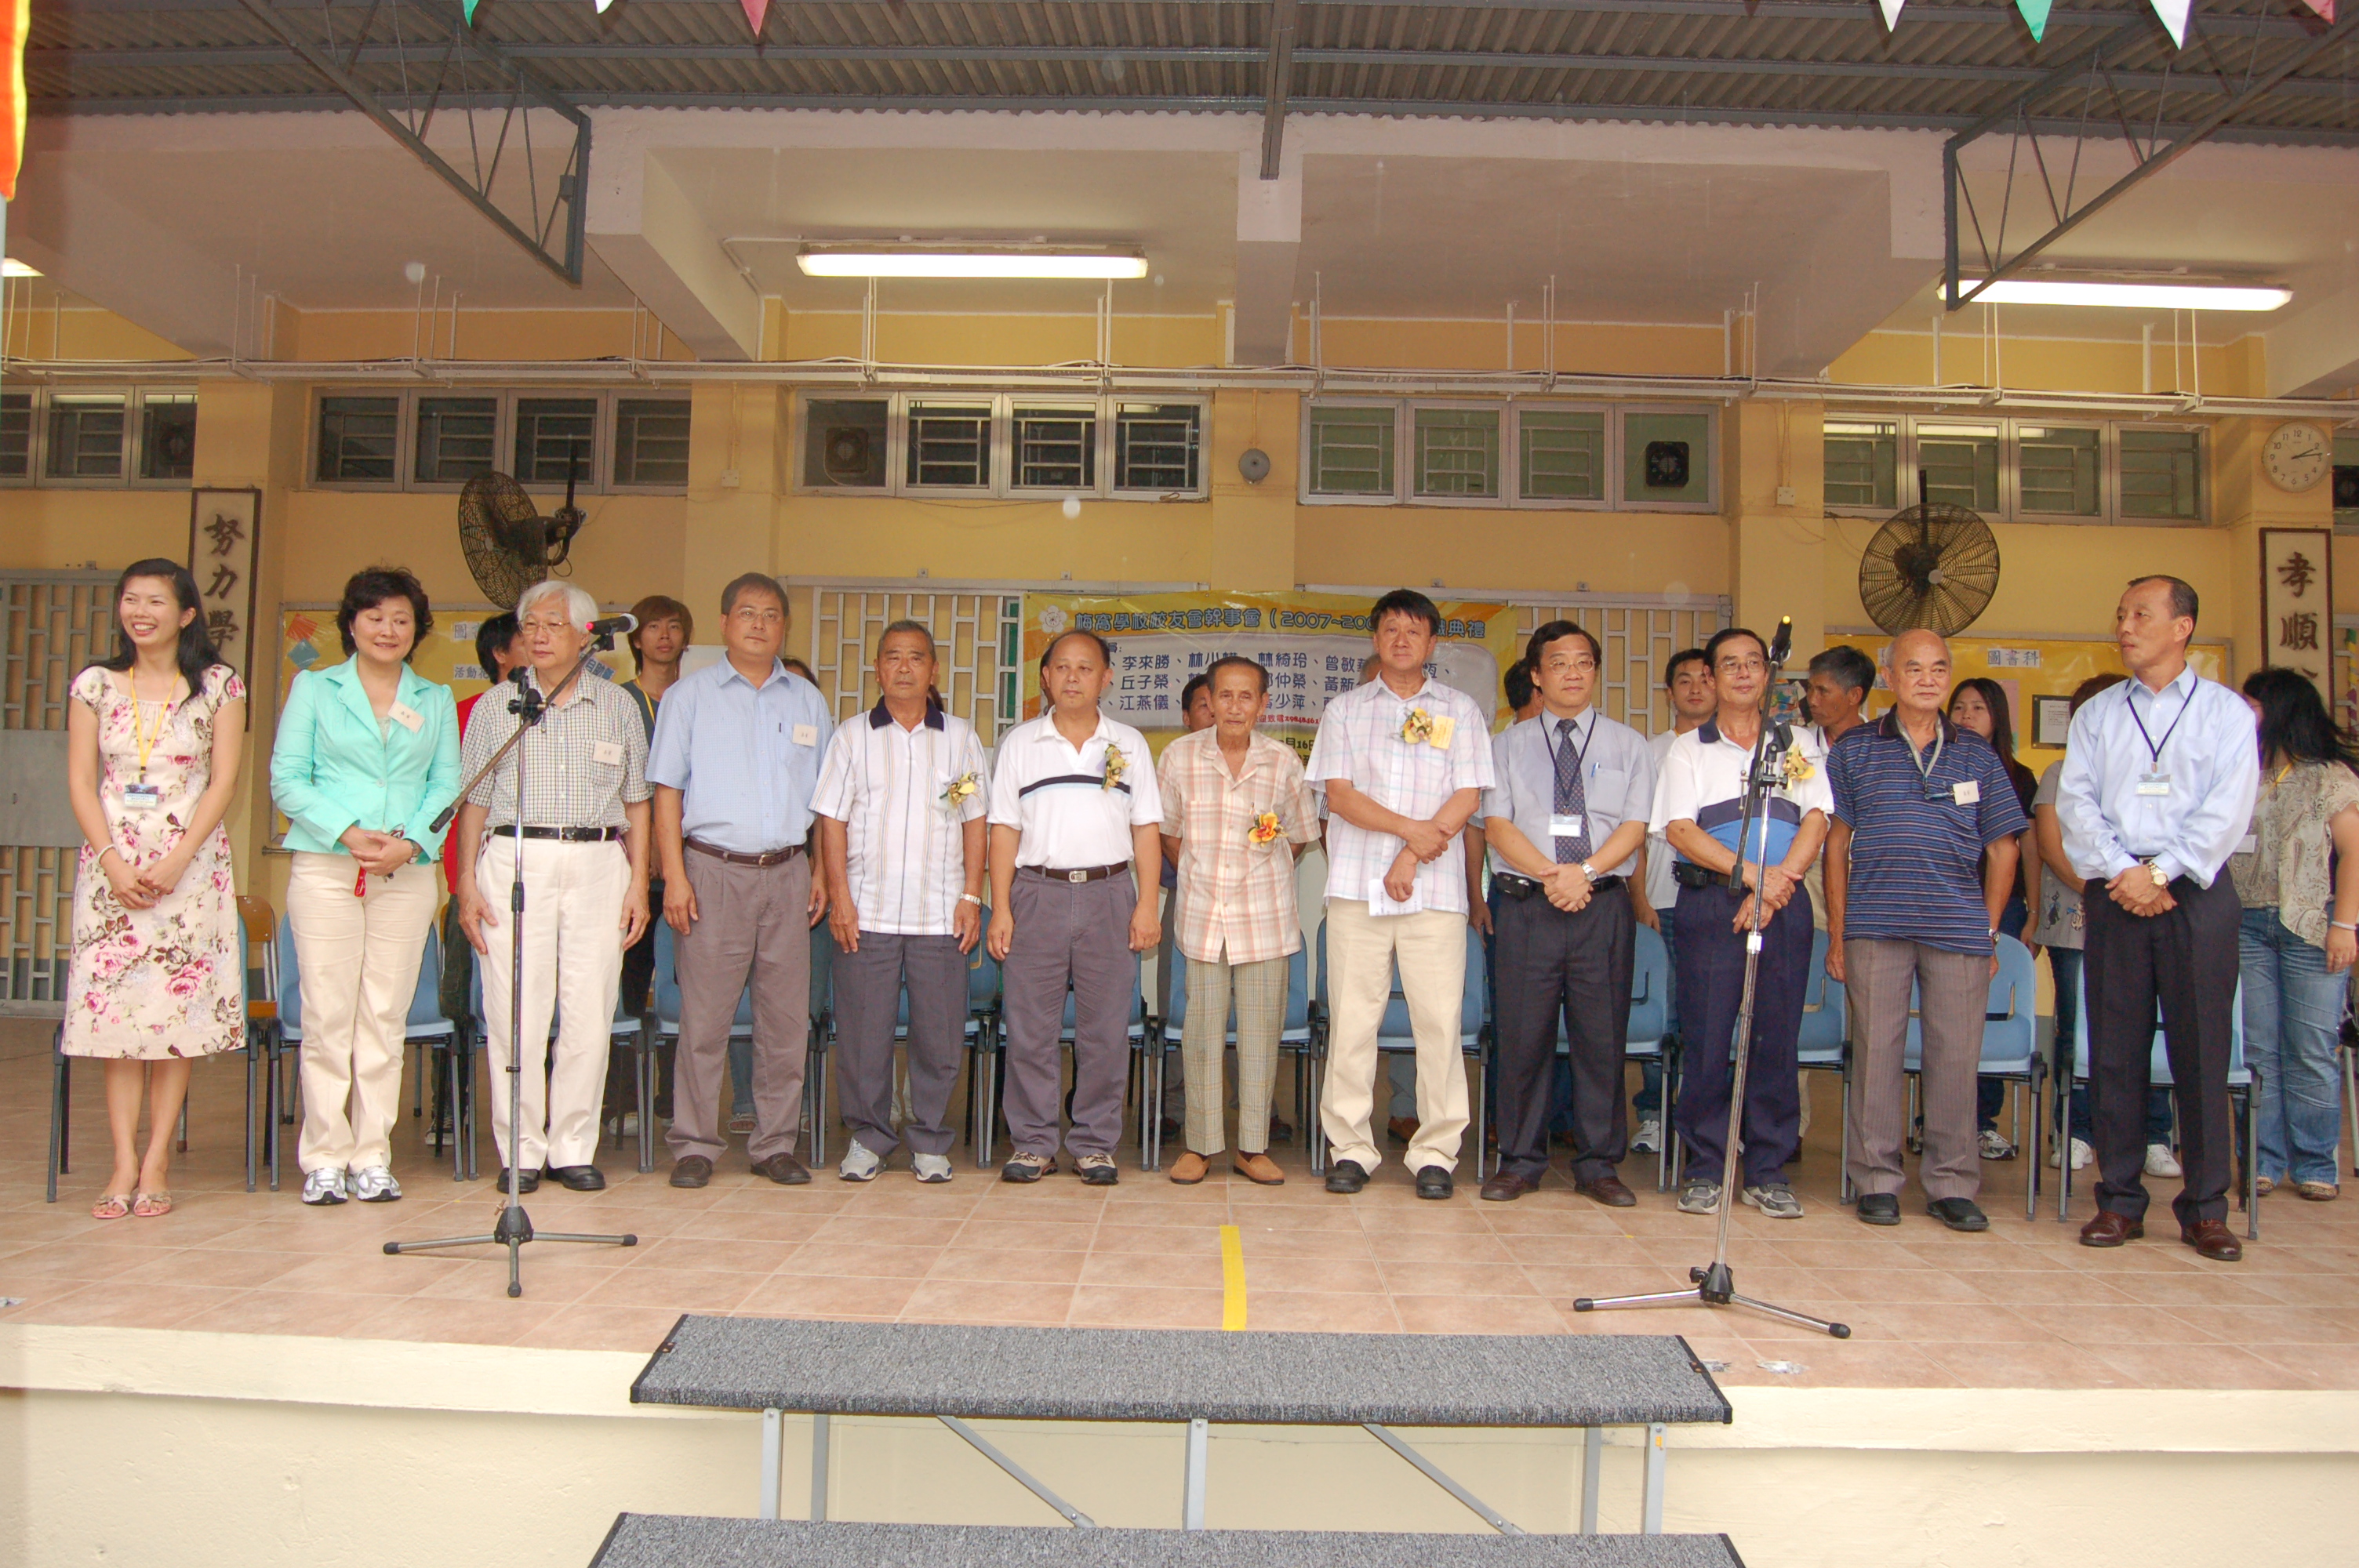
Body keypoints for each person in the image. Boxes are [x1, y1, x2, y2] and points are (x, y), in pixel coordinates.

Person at [2059, 575, 2259, 1261]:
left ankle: (2205, 1208)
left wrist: (2164, 871)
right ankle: (2118, 1201)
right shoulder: (2099, 714)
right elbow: (2076, 803)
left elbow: (2228, 808)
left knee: (2202, 1049)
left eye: (2141, 614)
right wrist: (2126, 871)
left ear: (2183, 627)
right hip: (2117, 890)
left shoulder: (2225, 713)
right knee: (2116, 1049)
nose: (2125, 627)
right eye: (2121, 615)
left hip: (2195, 892)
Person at [451, 580, 652, 1193]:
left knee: (589, 1009)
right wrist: (465, 881)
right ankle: (520, 1150)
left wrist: (637, 883)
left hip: (598, 860)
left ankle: (572, 1148)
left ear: (587, 635)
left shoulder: (618, 706)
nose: (538, 636)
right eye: (530, 625)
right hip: (517, 857)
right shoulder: (497, 707)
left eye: (553, 624)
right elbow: (474, 801)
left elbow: (638, 801)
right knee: (516, 1009)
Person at [62, 560, 247, 1221]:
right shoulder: (95, 685)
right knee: (117, 1021)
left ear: (187, 614)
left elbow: (224, 781)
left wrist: (179, 859)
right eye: (131, 600)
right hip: (112, 871)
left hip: (189, 873)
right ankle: (121, 1161)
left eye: (156, 602)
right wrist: (112, 861)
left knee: (174, 1020)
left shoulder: (219, 685)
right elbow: (81, 782)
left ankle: (157, 1160)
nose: (140, 612)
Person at [271, 567, 460, 1205]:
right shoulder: (315, 688)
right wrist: (348, 833)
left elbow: (446, 784)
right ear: (351, 624)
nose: (388, 629)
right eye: (375, 617)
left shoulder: (433, 698)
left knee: (384, 1014)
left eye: (401, 619)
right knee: (328, 1013)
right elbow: (288, 778)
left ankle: (372, 1154)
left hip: (406, 871)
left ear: (417, 629)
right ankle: (325, 1156)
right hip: (328, 866)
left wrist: (411, 842)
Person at [1825, 631, 2026, 1232]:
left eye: (1939, 668)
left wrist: (1989, 931)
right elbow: (1836, 846)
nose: (1929, 679)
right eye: (1914, 668)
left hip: (1958, 928)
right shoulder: (1856, 749)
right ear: (1890, 677)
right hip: (1875, 923)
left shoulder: (1977, 755)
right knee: (1877, 1054)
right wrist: (1837, 934)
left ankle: (1952, 1183)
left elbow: (2005, 849)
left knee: (1956, 1057)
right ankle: (1876, 1180)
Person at [647, 574, 832, 1188]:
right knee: (706, 1020)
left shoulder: (807, 702)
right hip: (712, 872)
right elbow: (666, 792)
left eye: (772, 614)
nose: (759, 624)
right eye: (747, 613)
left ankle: (774, 1144)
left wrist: (822, 871)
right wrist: (675, 877)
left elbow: (827, 802)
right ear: (725, 623)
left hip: (788, 873)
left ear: (785, 626)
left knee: (785, 1021)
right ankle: (695, 1144)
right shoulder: (689, 697)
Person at [1308, 589, 1494, 1198]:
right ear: (1376, 639)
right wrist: (1409, 831)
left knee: (1438, 1022)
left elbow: (1468, 794)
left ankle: (1436, 1152)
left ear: (1432, 643)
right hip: (1358, 888)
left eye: (1414, 631)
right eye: (1391, 629)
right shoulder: (1344, 711)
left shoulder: (1460, 710)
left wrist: (1413, 851)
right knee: (1352, 1022)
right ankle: (1351, 1149)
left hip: (1434, 893)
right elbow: (1340, 797)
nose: (1402, 640)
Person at [1650, 626, 1830, 1220]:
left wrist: (1777, 887)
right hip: (1712, 904)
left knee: (1775, 1037)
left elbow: (1817, 819)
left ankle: (1768, 1169)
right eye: (1730, 664)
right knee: (1706, 1036)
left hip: (1785, 903)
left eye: (1754, 662)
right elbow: (1680, 830)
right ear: (1712, 676)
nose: (1745, 672)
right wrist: (1753, 878)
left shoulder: (1798, 741)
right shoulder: (1689, 749)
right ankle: (1705, 1167)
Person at [1479, 621, 1654, 1204]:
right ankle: (1520, 1160)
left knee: (1601, 1038)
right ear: (1537, 675)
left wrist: (1587, 871)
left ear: (1595, 672)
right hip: (1528, 905)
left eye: (1583, 662)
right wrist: (1556, 874)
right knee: (1521, 1037)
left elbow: (1634, 826)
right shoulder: (1505, 746)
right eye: (1558, 663)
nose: (1572, 673)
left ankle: (1599, 1163)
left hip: (1601, 906)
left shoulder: (1629, 745)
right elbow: (1498, 826)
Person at [813, 621, 988, 1183]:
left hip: (941, 914)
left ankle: (930, 1140)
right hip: (867, 913)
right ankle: (868, 1139)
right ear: (877, 669)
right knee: (864, 1036)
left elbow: (976, 821)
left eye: (916, 658)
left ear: (934, 670)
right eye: (893, 657)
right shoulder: (851, 736)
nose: (905, 667)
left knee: (939, 1036)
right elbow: (832, 821)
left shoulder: (960, 737)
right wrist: (840, 898)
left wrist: (971, 896)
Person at [987, 630, 1163, 1185]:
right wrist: (1000, 908)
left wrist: (1147, 905)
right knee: (1029, 1028)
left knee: (1105, 1030)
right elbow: (1003, 830)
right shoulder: (1021, 744)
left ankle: (1094, 1144)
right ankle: (1033, 1143)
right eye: (1061, 667)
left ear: (1105, 678)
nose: (1072, 677)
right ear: (1045, 677)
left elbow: (1146, 830)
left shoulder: (1129, 744)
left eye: (1085, 668)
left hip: (1110, 895)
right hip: (1036, 893)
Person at [1155, 655, 1318, 1185]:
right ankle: (1200, 1146)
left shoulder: (1282, 762)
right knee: (1201, 1035)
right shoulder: (1180, 757)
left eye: (1246, 696)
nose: (1234, 706)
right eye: (1224, 695)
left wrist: (1258, 874)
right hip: (1202, 916)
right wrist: (1201, 873)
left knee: (1260, 1036)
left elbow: (1300, 834)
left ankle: (1253, 1146)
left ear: (1263, 704)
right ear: (1209, 700)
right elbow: (1168, 833)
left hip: (1265, 919)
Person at [2031, 673, 2172, 1172]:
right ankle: (2076, 1131)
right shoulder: (2060, 772)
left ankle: (2154, 1134)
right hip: (2080, 918)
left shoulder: (2154, 770)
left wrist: (2141, 890)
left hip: (2145, 911)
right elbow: (2052, 848)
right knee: (2078, 1028)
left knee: (2151, 1027)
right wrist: (2114, 891)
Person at [2230, 667, 2359, 1203]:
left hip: (2311, 925)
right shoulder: (2242, 771)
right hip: (2246, 924)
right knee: (2257, 1048)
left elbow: (2353, 853)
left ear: (2281, 709)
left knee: (2310, 1048)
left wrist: (2345, 926)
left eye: (2253, 704)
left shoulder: (2330, 775)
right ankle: (2262, 1160)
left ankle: (2315, 1163)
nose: (2244, 713)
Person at [1949, 676, 2044, 1161]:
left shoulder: (2018, 776)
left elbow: (2028, 849)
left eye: (1978, 708)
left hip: (2001, 906)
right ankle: (1936, 1120)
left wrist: (2033, 912)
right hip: (1947, 902)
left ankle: (1983, 1122)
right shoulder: (1939, 765)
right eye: (1959, 707)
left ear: (1997, 718)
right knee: (1943, 1014)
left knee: (1985, 1015)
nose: (1966, 716)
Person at [1632, 648, 1714, 1156]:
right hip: (1662, 901)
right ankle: (1654, 1115)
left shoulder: (1734, 750)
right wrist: (1640, 900)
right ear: (1669, 694)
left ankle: (1705, 1120)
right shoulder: (1650, 751)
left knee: (1709, 1016)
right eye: (1685, 680)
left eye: (1705, 678)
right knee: (1660, 1016)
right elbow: (1635, 836)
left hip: (1717, 905)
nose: (1696, 688)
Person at [616, 595, 693, 1123]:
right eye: (653, 628)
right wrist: (639, 856)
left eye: (674, 627)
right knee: (623, 984)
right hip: (628, 870)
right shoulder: (617, 701)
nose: (664, 636)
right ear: (636, 639)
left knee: (681, 988)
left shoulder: (699, 699)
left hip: (688, 869)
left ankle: (671, 1099)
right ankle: (620, 1098)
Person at [438, 612, 524, 1029]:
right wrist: (464, 874)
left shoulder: (554, 711)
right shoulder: (464, 713)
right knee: (461, 986)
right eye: (527, 637)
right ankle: (452, 1071)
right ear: (500, 654)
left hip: (530, 868)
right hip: (470, 867)